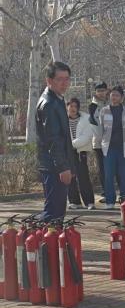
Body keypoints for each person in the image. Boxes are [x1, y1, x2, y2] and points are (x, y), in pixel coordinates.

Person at [36, 61, 74, 223]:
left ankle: (48, 238)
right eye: (60, 79)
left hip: (55, 164)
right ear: (49, 80)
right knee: (53, 213)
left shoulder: (56, 99)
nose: (64, 83)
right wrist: (63, 167)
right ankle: (27, 238)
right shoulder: (49, 104)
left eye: (67, 79)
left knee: (56, 212)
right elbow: (53, 139)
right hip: (53, 166)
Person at [98, 86, 125, 210]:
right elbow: (100, 129)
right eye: (112, 95)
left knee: (124, 175)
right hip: (109, 148)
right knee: (108, 175)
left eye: (117, 95)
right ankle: (110, 200)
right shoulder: (104, 111)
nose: (114, 97)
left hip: (124, 147)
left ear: (122, 98)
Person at [66, 98, 95, 210]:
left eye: (75, 106)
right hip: (67, 152)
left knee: (83, 177)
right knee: (70, 177)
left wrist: (71, 144)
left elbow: (87, 136)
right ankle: (74, 201)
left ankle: (89, 202)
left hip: (80, 151)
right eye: (71, 106)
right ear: (67, 107)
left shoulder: (85, 119)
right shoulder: (63, 119)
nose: (73, 109)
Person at [88, 82, 108, 201]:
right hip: (99, 142)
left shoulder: (111, 103)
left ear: (106, 91)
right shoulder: (92, 106)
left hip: (112, 142)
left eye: (103, 90)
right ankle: (106, 192)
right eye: (98, 91)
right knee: (102, 168)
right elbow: (94, 124)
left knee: (112, 168)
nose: (101, 93)